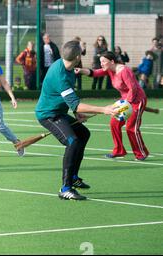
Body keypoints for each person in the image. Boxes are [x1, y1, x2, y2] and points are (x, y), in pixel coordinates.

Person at [36, 40, 118, 200]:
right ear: (78, 57)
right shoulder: (60, 75)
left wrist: (76, 113)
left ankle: (73, 177)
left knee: (84, 134)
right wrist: (104, 110)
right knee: (72, 141)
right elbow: (77, 104)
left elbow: (72, 103)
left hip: (59, 112)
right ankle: (65, 188)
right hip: (48, 115)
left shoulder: (68, 68)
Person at [76, 51, 149, 161]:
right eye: (100, 62)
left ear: (112, 61)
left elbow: (133, 88)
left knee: (131, 128)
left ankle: (141, 153)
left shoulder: (124, 71)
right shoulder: (109, 70)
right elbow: (94, 73)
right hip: (125, 101)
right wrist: (81, 70)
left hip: (137, 100)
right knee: (114, 123)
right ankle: (119, 151)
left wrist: (125, 104)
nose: (102, 64)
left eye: (104, 61)